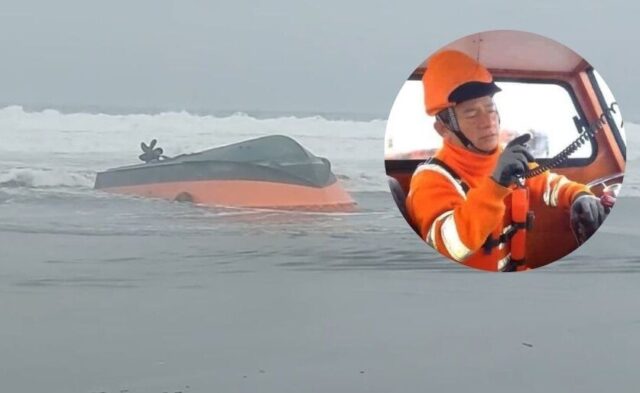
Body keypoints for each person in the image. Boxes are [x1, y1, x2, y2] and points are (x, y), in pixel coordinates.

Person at [405, 49, 606, 272]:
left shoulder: (506, 158)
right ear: (442, 128)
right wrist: (496, 185)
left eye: (490, 109)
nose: (487, 121)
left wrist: (579, 196)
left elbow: (547, 183)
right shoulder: (431, 180)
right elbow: (450, 248)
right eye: (472, 114)